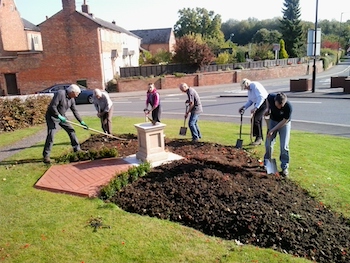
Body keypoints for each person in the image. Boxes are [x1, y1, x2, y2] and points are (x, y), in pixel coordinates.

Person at [43, 84, 88, 164]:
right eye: (77, 93)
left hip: (62, 117)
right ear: (72, 92)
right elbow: (52, 106)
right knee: (51, 135)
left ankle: (77, 149)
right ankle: (46, 156)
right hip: (52, 117)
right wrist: (58, 116)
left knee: (71, 130)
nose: (77, 96)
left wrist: (81, 121)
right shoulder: (60, 93)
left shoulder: (71, 99)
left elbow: (75, 111)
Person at [264, 92, 292, 177]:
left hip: (284, 124)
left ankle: (284, 168)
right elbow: (267, 98)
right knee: (268, 143)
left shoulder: (288, 107)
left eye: (281, 106)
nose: (279, 107)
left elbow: (284, 121)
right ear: (275, 100)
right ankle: (267, 163)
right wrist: (268, 109)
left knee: (284, 146)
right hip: (273, 121)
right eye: (277, 105)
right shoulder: (271, 97)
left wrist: (273, 130)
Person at [238, 78, 268, 146]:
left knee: (256, 119)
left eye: (245, 87)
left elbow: (261, 97)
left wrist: (256, 108)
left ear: (247, 84)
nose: (245, 89)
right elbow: (250, 101)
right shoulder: (250, 90)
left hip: (264, 102)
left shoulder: (255, 85)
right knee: (255, 119)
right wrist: (244, 107)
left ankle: (259, 138)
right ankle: (258, 138)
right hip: (258, 103)